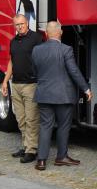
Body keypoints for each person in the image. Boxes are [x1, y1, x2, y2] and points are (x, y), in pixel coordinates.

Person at [31, 21, 90, 171]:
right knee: (63, 126)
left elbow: (34, 72)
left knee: (45, 126)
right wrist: (86, 89)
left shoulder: (36, 50)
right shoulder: (66, 50)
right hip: (63, 95)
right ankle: (61, 157)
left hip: (43, 93)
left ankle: (41, 161)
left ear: (46, 33)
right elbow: (74, 71)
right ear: (61, 32)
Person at [2, 14, 44, 163]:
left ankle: (31, 150)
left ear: (27, 23)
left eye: (22, 24)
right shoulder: (13, 41)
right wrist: (5, 82)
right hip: (16, 84)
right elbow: (11, 62)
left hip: (31, 85)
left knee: (31, 119)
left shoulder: (36, 38)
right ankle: (26, 146)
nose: (19, 27)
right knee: (20, 119)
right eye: (16, 25)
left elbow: (42, 59)